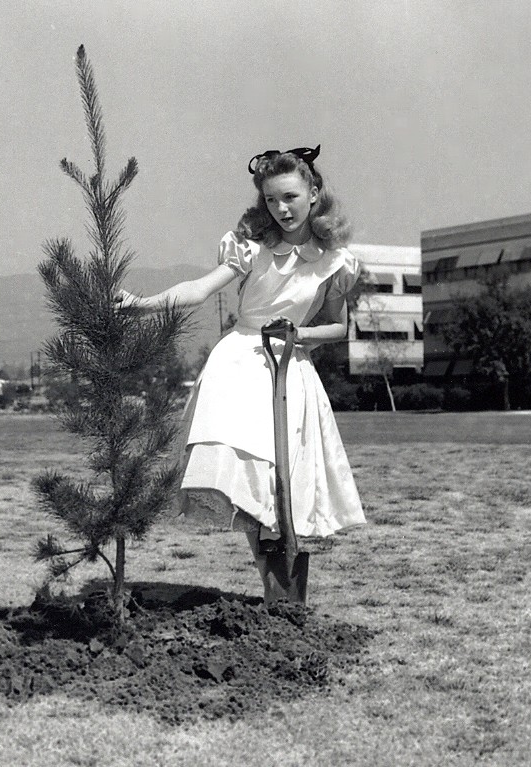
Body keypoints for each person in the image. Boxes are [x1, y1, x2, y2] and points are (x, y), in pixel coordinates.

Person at [115, 145, 366, 602]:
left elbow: (338, 326)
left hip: (289, 367)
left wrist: (300, 334)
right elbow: (198, 290)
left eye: (290, 197)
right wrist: (143, 305)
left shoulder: (334, 260)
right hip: (239, 365)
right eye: (271, 200)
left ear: (314, 193)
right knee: (249, 475)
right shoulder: (251, 248)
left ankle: (285, 598)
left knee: (283, 481)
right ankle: (274, 591)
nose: (281, 209)